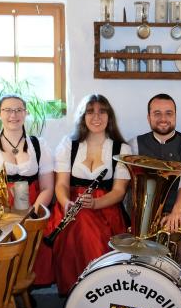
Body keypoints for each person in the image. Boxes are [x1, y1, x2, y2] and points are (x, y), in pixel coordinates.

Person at [48, 94, 131, 295]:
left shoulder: (122, 148)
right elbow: (61, 184)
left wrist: (94, 203)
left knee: (85, 222)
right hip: (70, 207)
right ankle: (78, 296)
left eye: (102, 111)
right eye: (90, 112)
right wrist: (66, 202)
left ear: (109, 116)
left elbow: (119, 192)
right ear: (82, 116)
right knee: (79, 221)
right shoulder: (69, 145)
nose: (96, 117)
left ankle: (92, 291)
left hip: (106, 208)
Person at [0, 94, 54, 285]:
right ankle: (0, 287)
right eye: (7, 110)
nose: (13, 115)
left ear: (25, 113)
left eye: (18, 110)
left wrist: (32, 214)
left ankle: (23, 286)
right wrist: (3, 215)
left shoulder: (39, 145)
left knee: (40, 238)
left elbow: (48, 187)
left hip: (32, 209)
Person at [130, 93, 181, 232]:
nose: (163, 119)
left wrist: (176, 211)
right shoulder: (134, 145)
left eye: (169, 113)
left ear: (175, 116)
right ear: (148, 117)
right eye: (157, 113)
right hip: (144, 218)